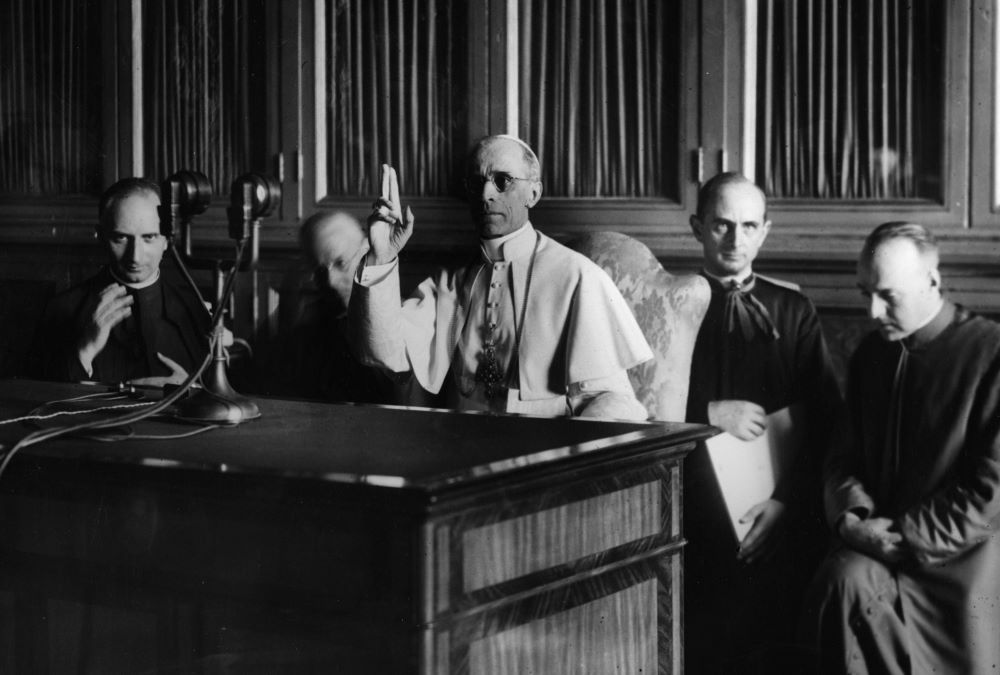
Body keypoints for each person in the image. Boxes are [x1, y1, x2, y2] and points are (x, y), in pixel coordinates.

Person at [807, 222, 1000, 674]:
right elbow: (841, 460)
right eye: (864, 293)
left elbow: (989, 492)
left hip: (962, 558)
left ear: (932, 281)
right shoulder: (870, 357)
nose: (873, 311)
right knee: (840, 579)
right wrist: (851, 520)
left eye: (889, 296)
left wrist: (904, 538)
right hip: (875, 545)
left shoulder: (991, 354)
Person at [349, 134, 652, 418]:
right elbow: (385, 352)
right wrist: (382, 257)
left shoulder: (578, 277)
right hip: (460, 449)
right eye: (476, 182)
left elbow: (612, 400)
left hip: (544, 454)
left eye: (502, 181)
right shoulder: (453, 279)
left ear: (533, 193)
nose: (485, 194)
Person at [683, 172, 842, 672]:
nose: (736, 240)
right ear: (697, 227)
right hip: (694, 507)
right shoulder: (666, 304)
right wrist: (705, 414)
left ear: (765, 231)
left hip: (779, 506)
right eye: (722, 225)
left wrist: (786, 504)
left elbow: (826, 420)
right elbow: (631, 406)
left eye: (749, 226)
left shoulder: (792, 310)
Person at [33, 177, 211, 386]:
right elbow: (40, 398)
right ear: (100, 236)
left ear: (167, 239)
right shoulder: (62, 308)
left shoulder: (195, 308)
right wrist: (85, 351)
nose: (135, 257)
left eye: (149, 237)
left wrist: (193, 390)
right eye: (121, 238)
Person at [253, 211, 390, 403]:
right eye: (319, 270)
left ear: (366, 252)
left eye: (341, 263)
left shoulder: (394, 321)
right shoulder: (304, 324)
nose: (330, 281)